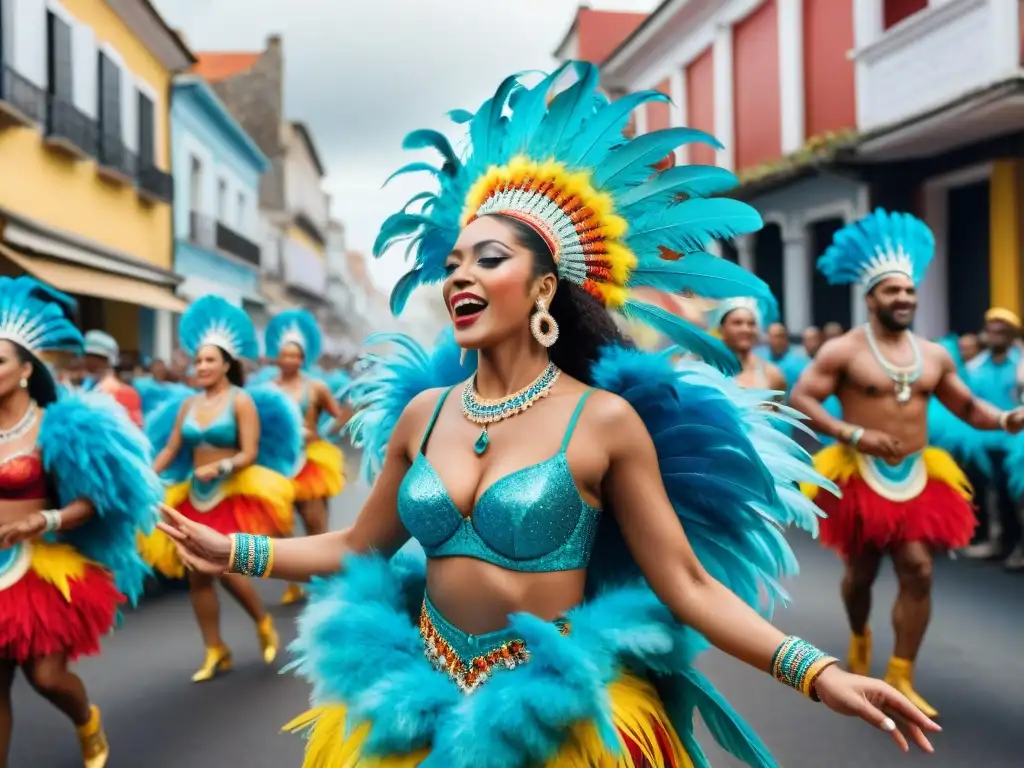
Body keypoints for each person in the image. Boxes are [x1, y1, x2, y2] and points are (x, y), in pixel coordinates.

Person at [160, 64, 936, 768]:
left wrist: (818, 672)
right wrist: (234, 550)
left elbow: (688, 583)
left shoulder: (602, 422)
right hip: (413, 708)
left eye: (488, 260)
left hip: (552, 721)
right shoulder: (424, 414)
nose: (462, 274)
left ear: (542, 289)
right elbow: (357, 545)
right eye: (455, 263)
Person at [790, 209, 1024, 719]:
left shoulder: (933, 355)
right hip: (860, 475)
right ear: (870, 297)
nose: (904, 299)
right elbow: (803, 396)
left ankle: (901, 672)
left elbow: (967, 407)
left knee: (918, 570)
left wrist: (1007, 418)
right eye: (892, 292)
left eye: (910, 292)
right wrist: (853, 432)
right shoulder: (843, 350)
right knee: (861, 575)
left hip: (919, 476)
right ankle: (858, 635)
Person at [0, 277, 162, 768]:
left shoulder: (58, 425)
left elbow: (95, 499)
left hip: (38, 569)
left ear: (26, 369)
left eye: (0, 359)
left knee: (45, 678)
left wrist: (42, 520)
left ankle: (86, 719)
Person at [136, 296, 303, 683]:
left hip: (233, 493)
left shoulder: (242, 401)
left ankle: (262, 621)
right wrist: (146, 472)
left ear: (227, 364)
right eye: (197, 361)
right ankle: (215, 648)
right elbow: (173, 447)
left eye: (209, 360)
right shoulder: (188, 405)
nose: (201, 367)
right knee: (197, 575)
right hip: (194, 496)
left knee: (228, 567)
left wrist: (222, 465)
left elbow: (249, 452)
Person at [264, 309, 351, 604]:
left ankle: (324, 580)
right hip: (279, 463)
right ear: (278, 358)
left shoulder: (316, 387)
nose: (290, 360)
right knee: (280, 525)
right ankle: (294, 581)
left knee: (315, 523)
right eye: (285, 355)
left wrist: (321, 432)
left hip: (312, 460)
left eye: (296, 356)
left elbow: (339, 415)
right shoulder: (268, 390)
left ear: (303, 358)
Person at [961, 308, 1022, 565]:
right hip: (984, 442)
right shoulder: (975, 367)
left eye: (1002, 331)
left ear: (1011, 335)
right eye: (992, 330)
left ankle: (1020, 548)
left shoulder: (1020, 364)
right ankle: (1000, 543)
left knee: (1017, 496)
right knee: (990, 495)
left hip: (1017, 443)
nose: (996, 335)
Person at [708, 297, 787, 391]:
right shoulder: (707, 370)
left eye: (751, 324)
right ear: (721, 328)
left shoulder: (771, 374)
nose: (746, 329)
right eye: (737, 323)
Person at [81, 331, 143, 428]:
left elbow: (133, 433)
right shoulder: (85, 386)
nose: (85, 360)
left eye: (92, 356)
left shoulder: (124, 393)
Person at [764, 322, 809, 392]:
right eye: (771, 337)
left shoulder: (800, 360)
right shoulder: (761, 359)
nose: (775, 341)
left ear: (785, 337)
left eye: (779, 336)